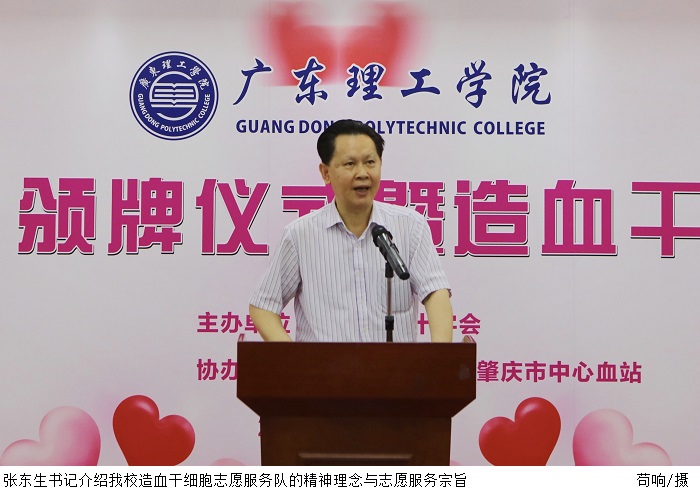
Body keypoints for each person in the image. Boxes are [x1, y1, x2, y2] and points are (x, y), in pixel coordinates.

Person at [249, 119, 453, 342]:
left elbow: (435, 292)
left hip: (394, 365)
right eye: (350, 164)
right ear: (325, 173)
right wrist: (296, 358)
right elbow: (264, 306)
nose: (362, 173)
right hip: (324, 365)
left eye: (370, 162)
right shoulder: (300, 234)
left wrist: (440, 357)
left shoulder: (410, 226)